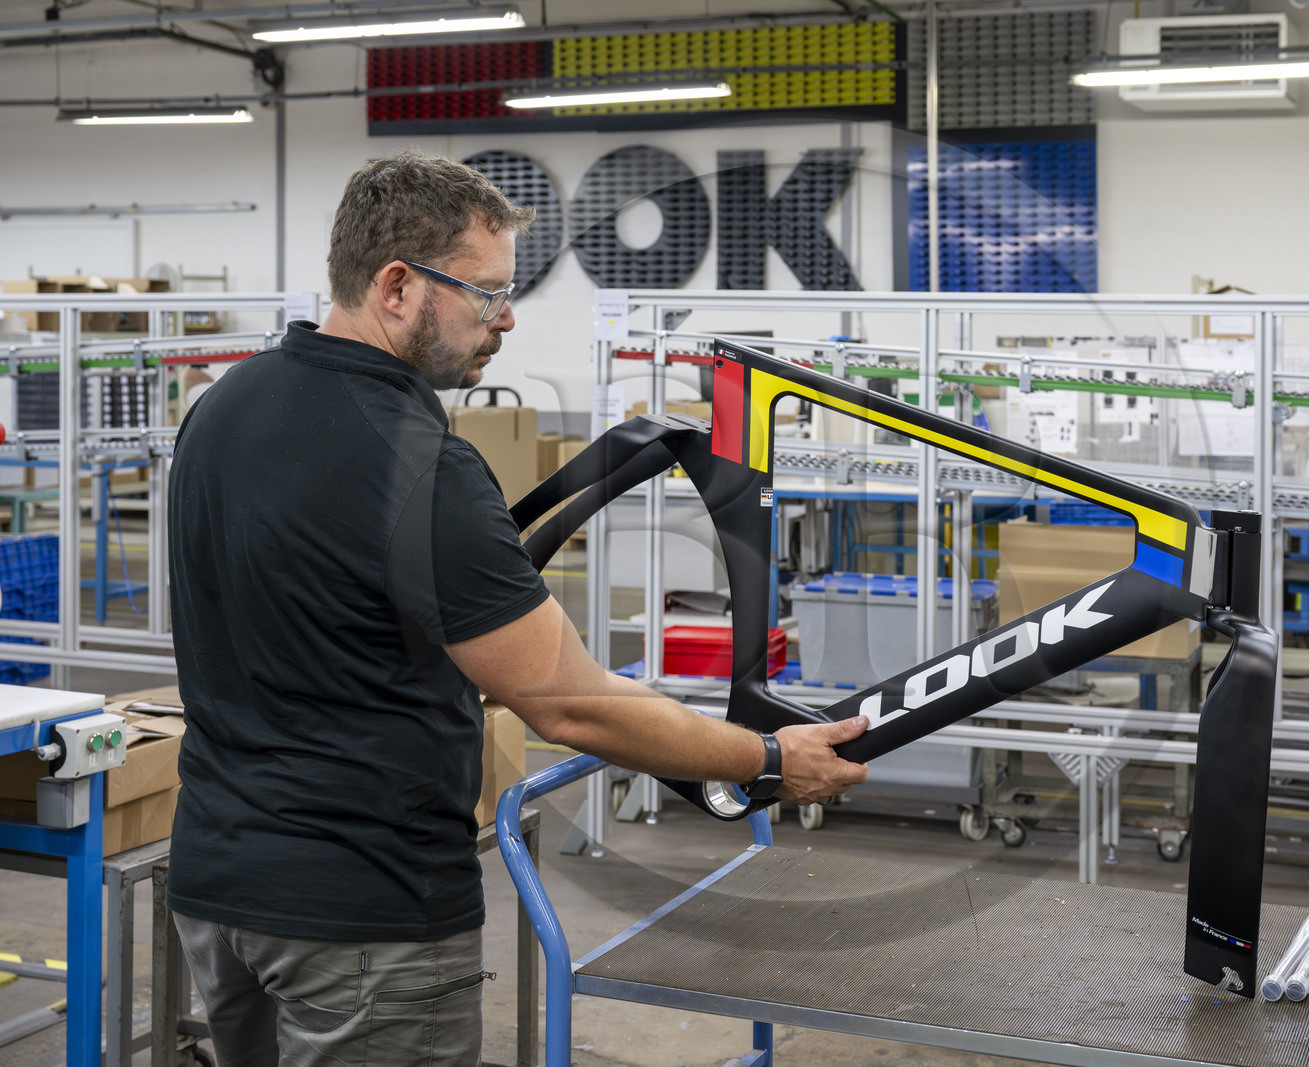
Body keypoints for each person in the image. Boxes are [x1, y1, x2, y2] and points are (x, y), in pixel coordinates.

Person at [165, 148, 868, 1067]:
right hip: (362, 911)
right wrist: (769, 756)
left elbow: (316, 616)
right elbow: (570, 702)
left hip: (219, 888)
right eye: (486, 293)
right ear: (396, 285)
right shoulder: (421, 464)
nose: (504, 322)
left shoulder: (223, 409)